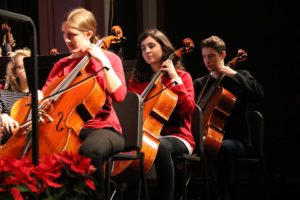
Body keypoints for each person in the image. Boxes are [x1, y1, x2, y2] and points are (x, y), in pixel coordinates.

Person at [40, 8, 127, 199]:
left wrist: (103, 60)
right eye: (64, 34)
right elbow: (46, 97)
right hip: (67, 129)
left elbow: (119, 95)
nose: (66, 40)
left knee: (88, 150)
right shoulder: (62, 65)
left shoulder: (110, 59)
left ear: (88, 34)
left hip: (104, 129)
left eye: (72, 35)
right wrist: (39, 97)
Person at [128, 28, 196, 200]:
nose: (147, 51)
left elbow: (188, 109)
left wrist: (174, 78)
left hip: (179, 137)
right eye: (143, 48)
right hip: (145, 136)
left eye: (151, 46)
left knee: (160, 146)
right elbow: (131, 111)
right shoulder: (137, 82)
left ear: (163, 48)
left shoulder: (182, 76)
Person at [194, 35, 264, 200]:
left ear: (223, 55)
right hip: (207, 137)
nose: (207, 61)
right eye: (204, 57)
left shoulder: (239, 76)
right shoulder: (201, 83)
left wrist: (234, 75)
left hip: (237, 140)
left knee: (221, 148)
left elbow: (259, 94)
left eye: (211, 56)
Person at [0, 48, 30, 144]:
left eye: (29, 65)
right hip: (9, 144)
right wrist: (3, 116)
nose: (28, 69)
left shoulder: (42, 93)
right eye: (22, 67)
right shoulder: (5, 95)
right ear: (15, 72)